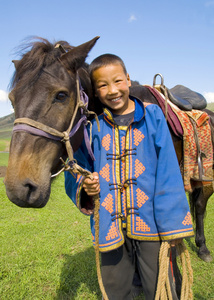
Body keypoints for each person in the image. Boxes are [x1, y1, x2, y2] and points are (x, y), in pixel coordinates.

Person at [64, 54, 194, 300]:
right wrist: (85, 185)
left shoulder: (153, 116)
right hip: (109, 225)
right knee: (116, 290)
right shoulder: (94, 126)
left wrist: (173, 225)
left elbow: (168, 172)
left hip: (152, 225)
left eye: (118, 81)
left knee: (161, 288)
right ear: (95, 90)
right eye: (102, 85)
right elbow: (76, 169)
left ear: (128, 80)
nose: (112, 90)